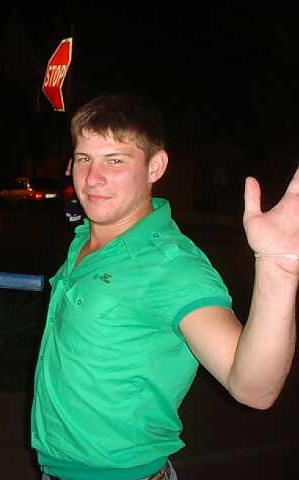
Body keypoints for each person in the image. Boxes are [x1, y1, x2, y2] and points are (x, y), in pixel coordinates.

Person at [31, 94, 298, 480]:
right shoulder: (85, 238)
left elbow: (254, 389)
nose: (92, 177)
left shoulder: (171, 266)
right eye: (85, 158)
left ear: (155, 166)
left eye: (115, 160)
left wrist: (279, 267)